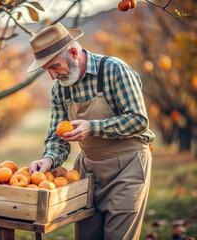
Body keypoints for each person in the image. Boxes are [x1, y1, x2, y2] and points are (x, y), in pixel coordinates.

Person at [27, 22, 155, 240]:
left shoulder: (114, 70)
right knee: (87, 235)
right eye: (47, 70)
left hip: (128, 166)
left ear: (74, 53)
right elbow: (57, 137)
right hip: (88, 170)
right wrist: (49, 159)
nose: (52, 76)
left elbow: (138, 120)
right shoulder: (60, 89)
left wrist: (93, 127)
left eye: (55, 67)